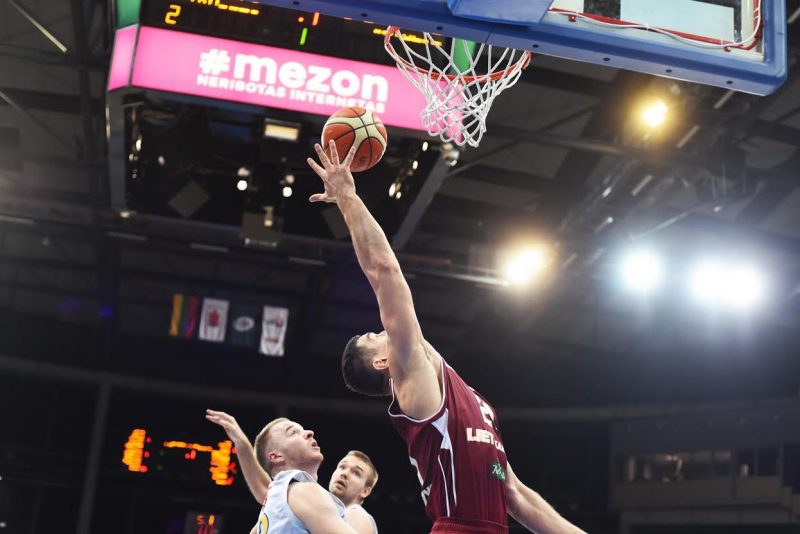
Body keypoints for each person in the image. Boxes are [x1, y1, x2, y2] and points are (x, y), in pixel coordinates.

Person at [306, 142, 586, 534]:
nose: (383, 328)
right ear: (382, 362)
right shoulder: (409, 374)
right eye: (374, 335)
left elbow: (516, 496)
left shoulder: (462, 395)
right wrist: (348, 198)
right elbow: (384, 270)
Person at [206, 409, 378, 534]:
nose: (309, 433)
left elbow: (263, 489)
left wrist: (242, 445)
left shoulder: (272, 510)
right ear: (276, 456)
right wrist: (242, 445)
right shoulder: (301, 491)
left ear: (366, 490)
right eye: (294, 432)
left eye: (356, 473)